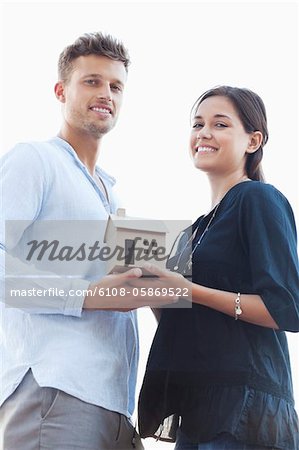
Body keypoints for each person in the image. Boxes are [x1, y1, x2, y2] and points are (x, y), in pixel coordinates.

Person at [0, 32, 175, 450]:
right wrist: (90, 294)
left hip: (117, 408)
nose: (106, 94)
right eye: (92, 81)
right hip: (55, 389)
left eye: (116, 86)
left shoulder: (115, 198)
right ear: (61, 90)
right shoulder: (34, 159)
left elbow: (146, 296)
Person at [135, 86, 299, 449]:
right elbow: (188, 322)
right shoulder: (191, 232)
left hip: (247, 409)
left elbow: (286, 309)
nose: (203, 133)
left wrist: (188, 290)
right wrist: (154, 293)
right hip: (199, 409)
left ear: (253, 140)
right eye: (197, 124)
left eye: (220, 124)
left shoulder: (259, 199)